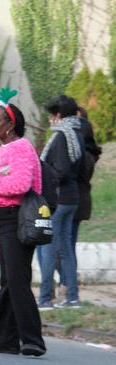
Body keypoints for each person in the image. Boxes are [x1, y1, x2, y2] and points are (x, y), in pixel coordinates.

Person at [0, 102, 46, 357]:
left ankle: (33, 341)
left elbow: (20, 184)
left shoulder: (19, 148)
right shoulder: (8, 147)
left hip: (14, 220)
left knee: (17, 282)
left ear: (9, 126)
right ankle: (5, 339)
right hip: (7, 222)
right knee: (9, 281)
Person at [37, 95, 83, 310]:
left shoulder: (61, 136)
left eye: (52, 116)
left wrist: (47, 177)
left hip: (58, 198)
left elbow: (60, 170)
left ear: (57, 115)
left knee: (48, 248)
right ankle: (72, 297)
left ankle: (45, 298)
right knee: (65, 249)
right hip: (72, 197)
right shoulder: (77, 133)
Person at [73, 106, 102, 255]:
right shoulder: (89, 154)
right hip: (80, 201)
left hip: (74, 201)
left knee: (65, 247)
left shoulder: (84, 155)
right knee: (68, 246)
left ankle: (68, 277)